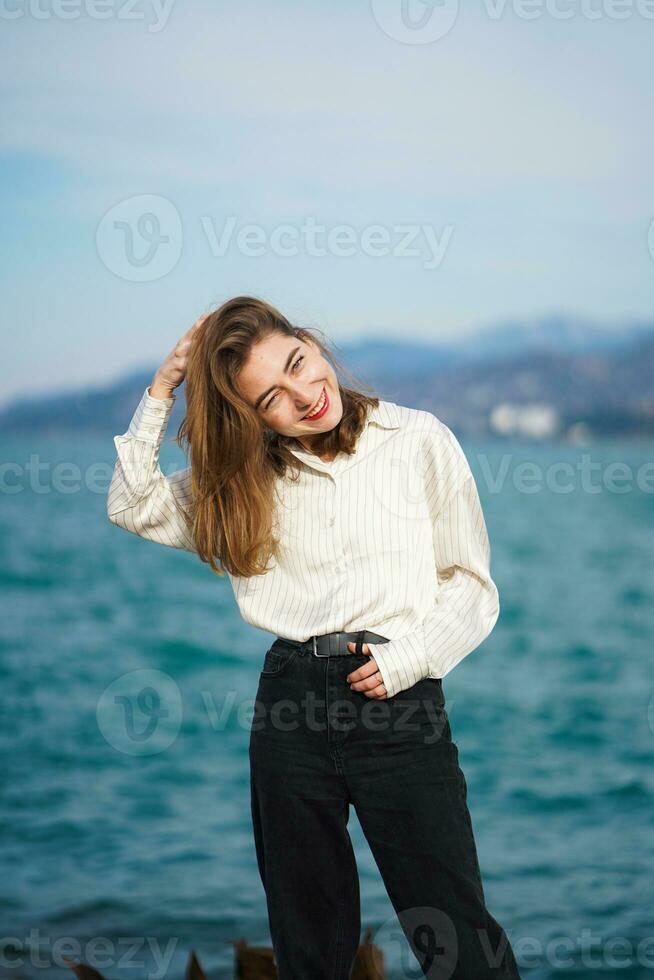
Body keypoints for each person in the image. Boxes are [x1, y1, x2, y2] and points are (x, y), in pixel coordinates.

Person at [106, 296, 521, 980]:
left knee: (457, 934)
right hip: (289, 708)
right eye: (272, 396)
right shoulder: (240, 481)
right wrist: (162, 389)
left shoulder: (418, 439)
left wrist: (408, 660)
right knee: (310, 946)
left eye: (299, 364)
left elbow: (471, 584)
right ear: (252, 414)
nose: (304, 395)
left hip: (397, 697)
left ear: (311, 342)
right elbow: (132, 503)